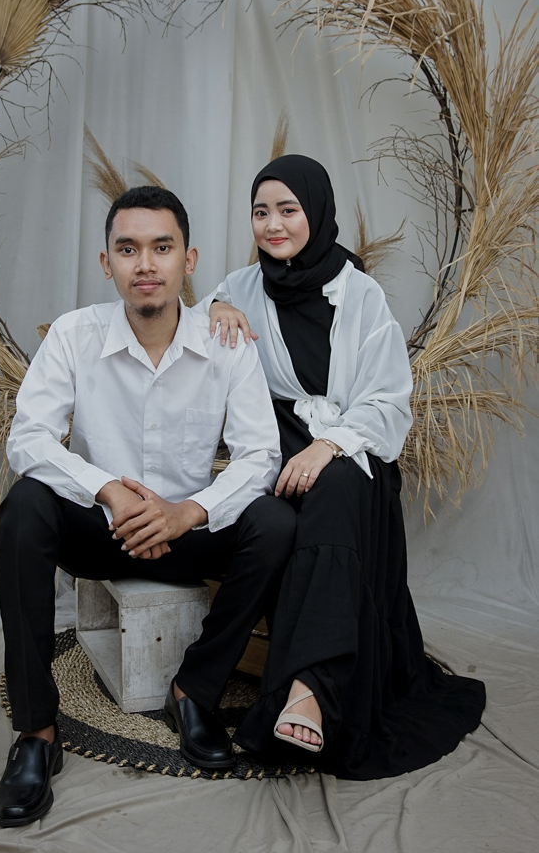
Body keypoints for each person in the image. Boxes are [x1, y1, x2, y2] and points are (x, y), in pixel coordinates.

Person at [0, 185, 296, 827]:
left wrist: (187, 513)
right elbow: (28, 439)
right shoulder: (74, 335)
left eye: (163, 247)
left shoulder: (227, 343)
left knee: (274, 521)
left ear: (189, 260)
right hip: (99, 531)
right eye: (128, 250)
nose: (146, 264)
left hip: (187, 535)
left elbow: (260, 457)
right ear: (107, 263)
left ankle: (194, 689)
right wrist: (107, 490)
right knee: (24, 508)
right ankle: (37, 731)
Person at [201, 154, 486, 780]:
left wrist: (327, 445)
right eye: (260, 212)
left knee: (332, 493)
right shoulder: (241, 286)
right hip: (275, 445)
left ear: (317, 212)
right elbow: (194, 333)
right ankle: (310, 678)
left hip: (351, 445)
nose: (273, 225)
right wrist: (214, 309)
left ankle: (309, 684)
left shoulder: (359, 294)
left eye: (288, 210)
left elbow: (388, 401)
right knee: (288, 509)